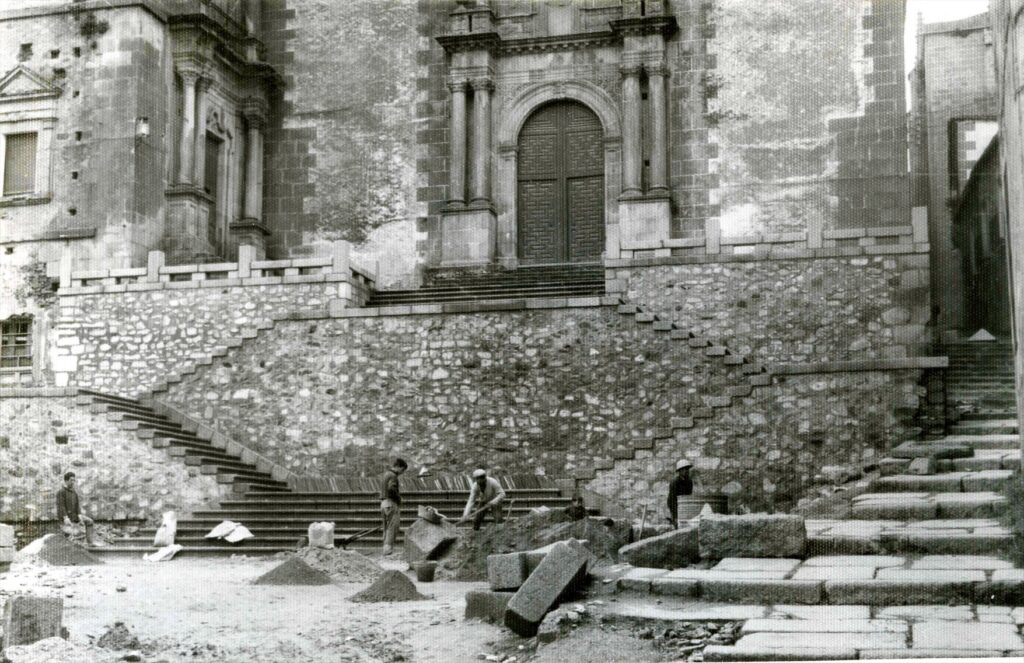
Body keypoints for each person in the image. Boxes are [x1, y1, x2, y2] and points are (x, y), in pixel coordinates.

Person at [56, 471, 103, 546]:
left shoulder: (74, 492)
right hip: (66, 518)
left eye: (74, 480)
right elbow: (61, 506)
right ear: (66, 480)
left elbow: (77, 505)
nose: (73, 482)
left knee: (90, 521)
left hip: (75, 516)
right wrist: (65, 517)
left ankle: (90, 543)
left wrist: (79, 514)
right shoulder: (61, 492)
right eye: (71, 480)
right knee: (69, 535)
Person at [380, 457, 408, 555]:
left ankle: (385, 548)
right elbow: (391, 488)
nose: (402, 473)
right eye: (403, 470)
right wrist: (399, 498)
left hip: (383, 503)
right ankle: (388, 550)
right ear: (398, 467)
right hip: (391, 503)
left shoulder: (386, 474)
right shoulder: (393, 476)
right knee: (393, 527)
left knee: (386, 527)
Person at [667, 459, 694, 529]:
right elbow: (671, 500)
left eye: (688, 469)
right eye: (685, 469)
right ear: (680, 471)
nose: (687, 471)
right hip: (676, 506)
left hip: (685, 508)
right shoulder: (675, 482)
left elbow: (689, 496)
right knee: (678, 527)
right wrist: (675, 516)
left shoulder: (689, 481)